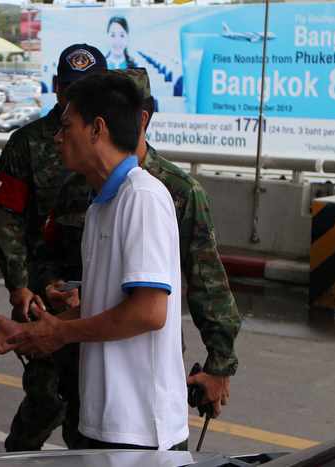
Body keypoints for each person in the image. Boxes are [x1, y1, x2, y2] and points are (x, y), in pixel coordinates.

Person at [0, 71, 189, 450]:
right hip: (104, 421)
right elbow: (107, 306)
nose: (57, 136)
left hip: (140, 430)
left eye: (66, 126)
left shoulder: (142, 198)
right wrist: (32, 332)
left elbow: (149, 312)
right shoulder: (103, 201)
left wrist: (61, 333)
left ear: (96, 129)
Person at [42, 68, 240, 444]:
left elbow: (201, 288)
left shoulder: (152, 194)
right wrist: (41, 323)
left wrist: (219, 365)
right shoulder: (94, 194)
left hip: (139, 417)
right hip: (94, 386)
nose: (58, 136)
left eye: (67, 125)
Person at [0, 43, 107, 452]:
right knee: (45, 398)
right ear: (56, 88)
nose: (76, 99)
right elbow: (5, 221)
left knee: (92, 409)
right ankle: (19, 456)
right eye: (70, 89)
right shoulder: (29, 144)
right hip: (43, 293)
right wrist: (19, 286)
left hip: (102, 297)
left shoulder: (115, 141)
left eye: (88, 90)